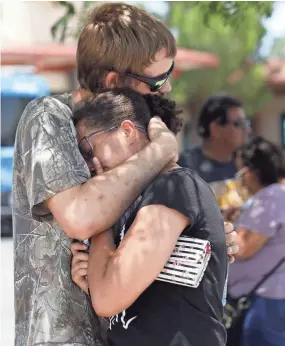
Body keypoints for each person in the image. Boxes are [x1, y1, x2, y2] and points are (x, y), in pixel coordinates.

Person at [13, 3, 237, 345]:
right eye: (157, 80)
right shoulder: (50, 116)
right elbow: (80, 215)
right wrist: (159, 151)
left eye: (170, 74)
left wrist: (205, 245)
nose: (167, 90)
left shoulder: (130, 150)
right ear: (113, 81)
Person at [71, 87, 228, 346]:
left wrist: (100, 213)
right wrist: (96, 279)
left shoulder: (174, 187)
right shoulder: (138, 199)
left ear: (127, 131)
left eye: (88, 149)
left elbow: (108, 299)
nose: (88, 164)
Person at [227, 137, 285, 346]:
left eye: (240, 171)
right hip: (267, 300)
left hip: (265, 302)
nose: (240, 180)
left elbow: (243, 248)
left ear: (253, 171)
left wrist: (220, 224)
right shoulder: (275, 196)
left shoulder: (270, 198)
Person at [179, 93, 251, 183]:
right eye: (239, 123)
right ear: (215, 128)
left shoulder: (248, 166)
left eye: (246, 123)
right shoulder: (186, 166)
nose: (247, 130)